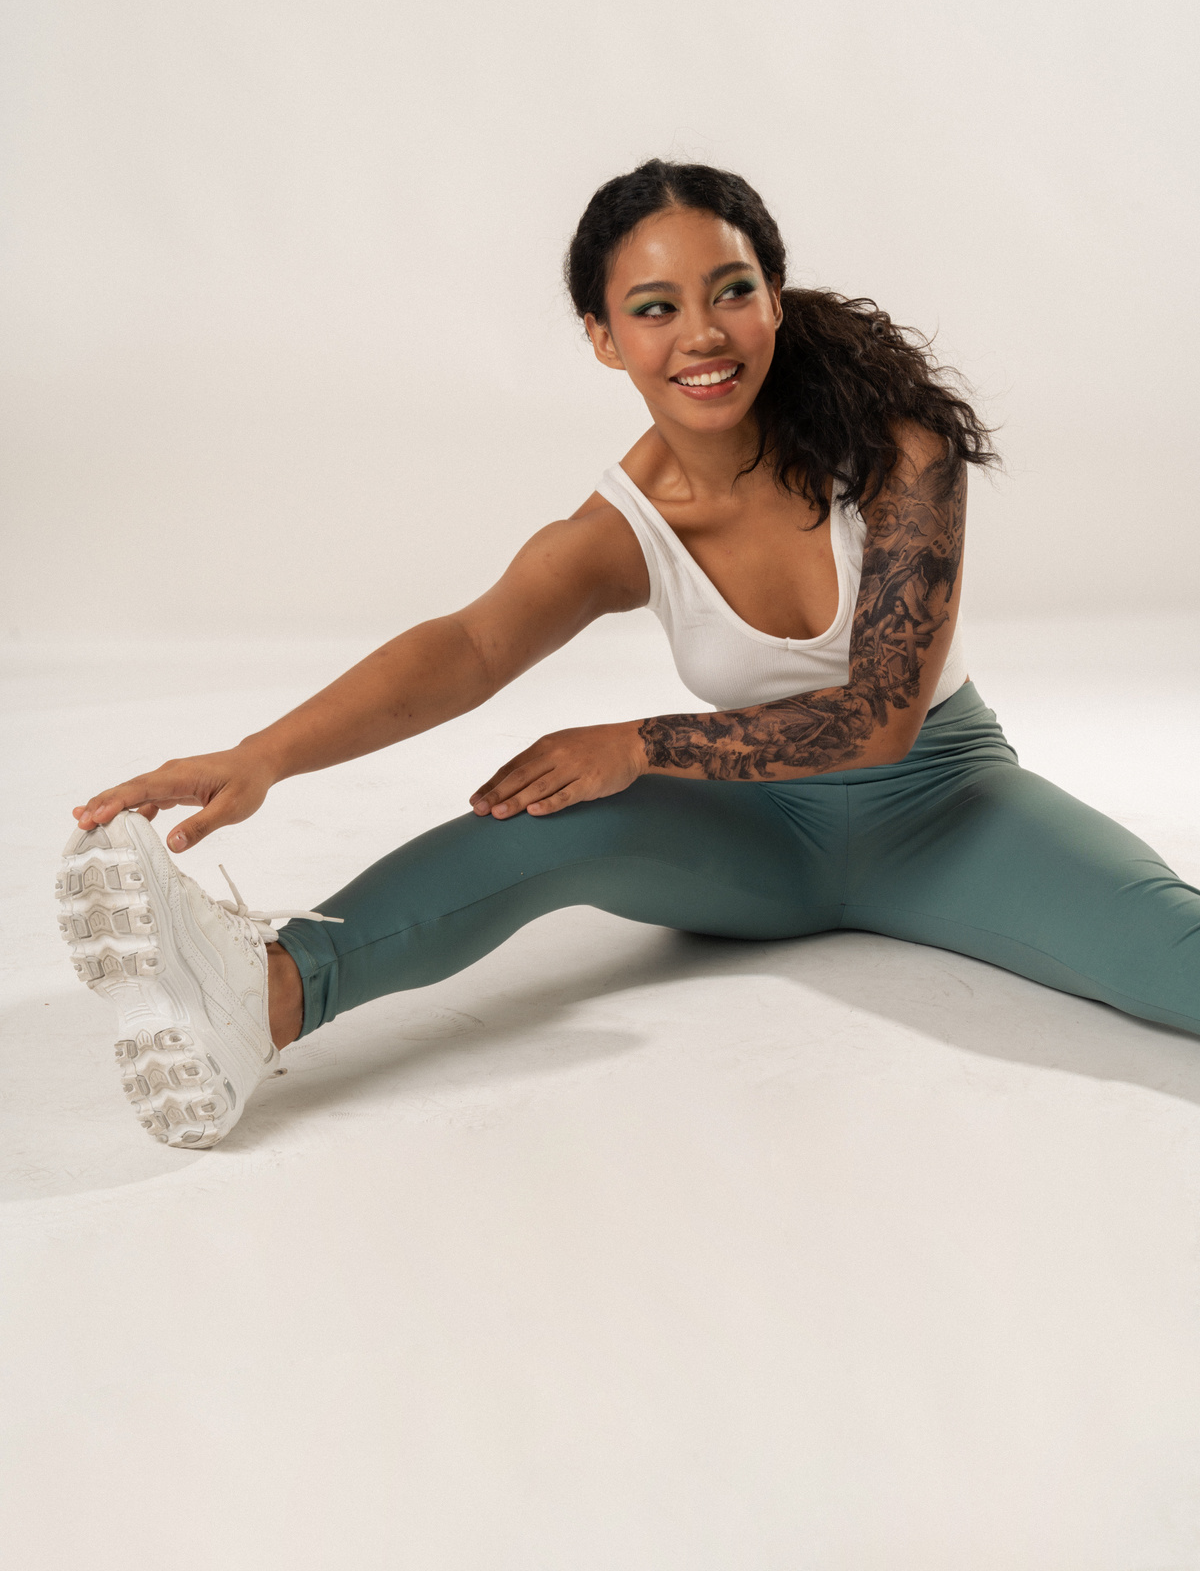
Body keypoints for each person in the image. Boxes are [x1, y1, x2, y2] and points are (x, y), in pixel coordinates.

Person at [56, 160, 1200, 1150]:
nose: (701, 334)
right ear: (605, 339)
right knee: (543, 820)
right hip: (760, 833)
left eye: (731, 292)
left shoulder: (899, 449)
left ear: (775, 303)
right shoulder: (619, 530)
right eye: (654, 308)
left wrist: (637, 741)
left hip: (947, 805)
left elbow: (884, 715)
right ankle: (256, 1001)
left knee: (1172, 951)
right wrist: (266, 755)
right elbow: (466, 646)